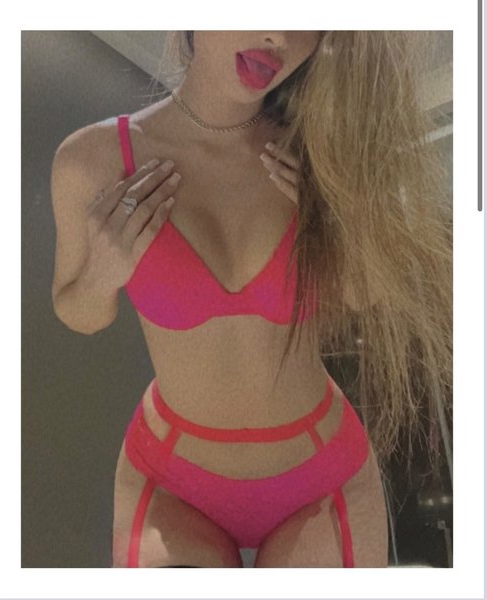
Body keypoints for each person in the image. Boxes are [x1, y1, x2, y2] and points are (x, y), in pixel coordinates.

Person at [50, 31, 452, 568]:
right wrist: (101, 274)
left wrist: (345, 221)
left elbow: (362, 293)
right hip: (173, 481)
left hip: (320, 476)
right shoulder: (91, 161)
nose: (278, 35)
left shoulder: (315, 152)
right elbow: (78, 311)